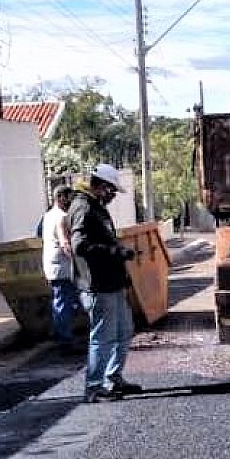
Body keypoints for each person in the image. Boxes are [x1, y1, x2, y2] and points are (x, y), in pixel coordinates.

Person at [70, 164, 143, 403]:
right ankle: (94, 386)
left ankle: (113, 378)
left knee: (124, 331)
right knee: (102, 337)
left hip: (113, 283)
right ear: (101, 186)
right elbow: (79, 246)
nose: (113, 196)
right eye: (111, 191)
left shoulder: (96, 207)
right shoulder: (83, 207)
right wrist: (114, 252)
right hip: (98, 286)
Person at [41, 184, 82, 352]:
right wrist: (77, 259)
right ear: (60, 198)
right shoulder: (62, 217)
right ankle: (65, 340)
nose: (70, 202)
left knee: (61, 301)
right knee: (65, 302)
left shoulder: (47, 216)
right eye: (68, 198)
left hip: (51, 265)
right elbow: (65, 243)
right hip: (62, 266)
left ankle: (61, 334)